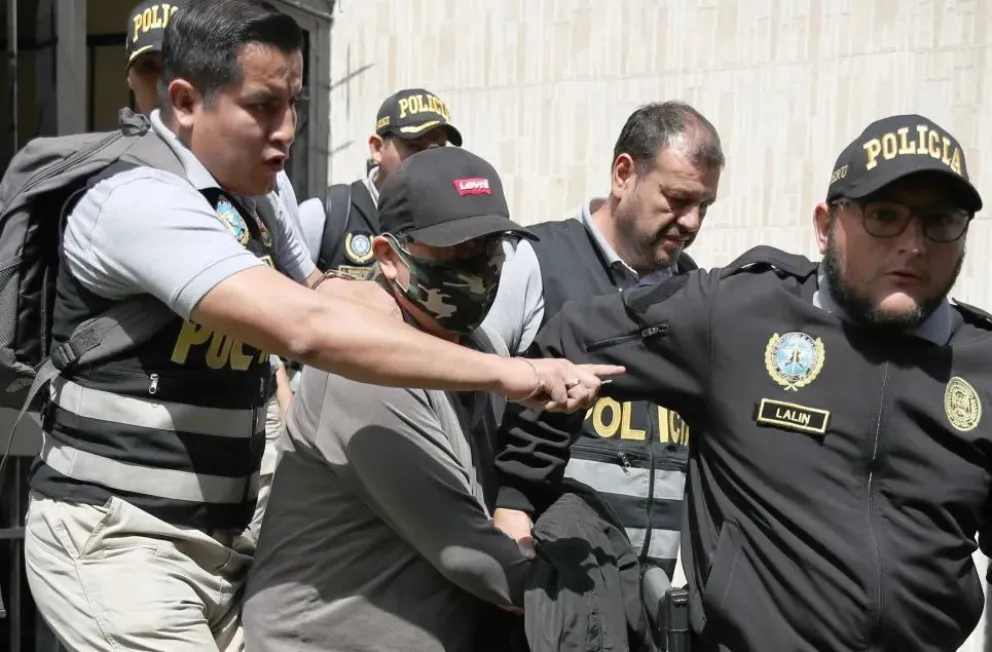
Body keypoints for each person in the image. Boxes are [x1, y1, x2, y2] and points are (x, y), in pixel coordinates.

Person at [22, 2, 618, 651]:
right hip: (120, 540)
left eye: (295, 103)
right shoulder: (136, 200)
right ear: (187, 102)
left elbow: (328, 292)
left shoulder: (260, 194)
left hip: (221, 543)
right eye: (262, 106)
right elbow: (308, 328)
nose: (286, 130)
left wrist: (424, 310)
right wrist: (515, 374)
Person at [493, 113, 991, 651]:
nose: (914, 245)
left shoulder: (982, 363)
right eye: (884, 216)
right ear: (826, 226)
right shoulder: (739, 315)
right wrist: (519, 501)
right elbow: (568, 343)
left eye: (940, 221)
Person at [244, 146, 541, 652]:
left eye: (491, 249)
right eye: (456, 252)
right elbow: (469, 552)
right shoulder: (365, 372)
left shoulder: (479, 347)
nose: (480, 268)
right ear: (388, 256)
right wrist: (571, 594)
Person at [484, 100, 723, 579]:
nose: (693, 222)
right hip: (542, 590)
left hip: (649, 604)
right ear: (623, 174)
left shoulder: (697, 295)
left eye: (704, 206)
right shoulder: (532, 264)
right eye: (677, 199)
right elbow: (467, 410)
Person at [124, 0, 292, 541]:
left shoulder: (258, 182)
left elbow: (298, 293)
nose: (283, 130)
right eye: (149, 67)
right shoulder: (128, 185)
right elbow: (304, 321)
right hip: (139, 499)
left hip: (241, 444)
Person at [298, 88, 463, 278]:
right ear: (377, 148)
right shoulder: (325, 216)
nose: (427, 160)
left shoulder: (452, 220)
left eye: (437, 149)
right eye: (414, 146)